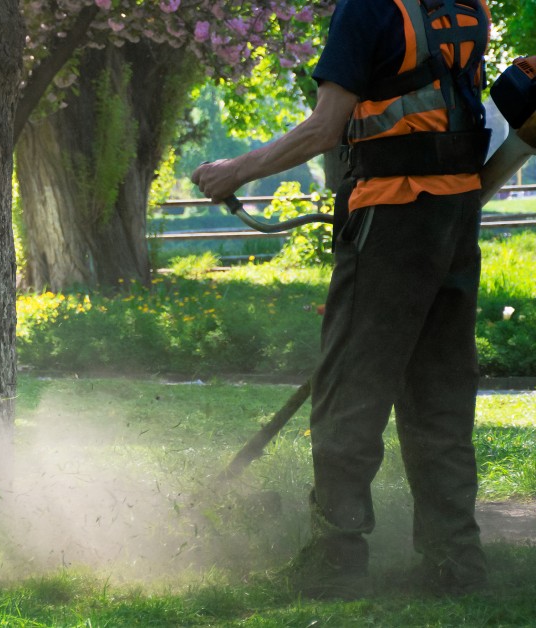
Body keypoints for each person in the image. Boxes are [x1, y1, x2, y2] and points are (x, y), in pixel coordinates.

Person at [192, 0, 491, 600]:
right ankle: (453, 562)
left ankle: (336, 558)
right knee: (439, 398)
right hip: (455, 220)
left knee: (348, 394)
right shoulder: (466, 5)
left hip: (392, 217)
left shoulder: (368, 7)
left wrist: (238, 170)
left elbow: (327, 127)